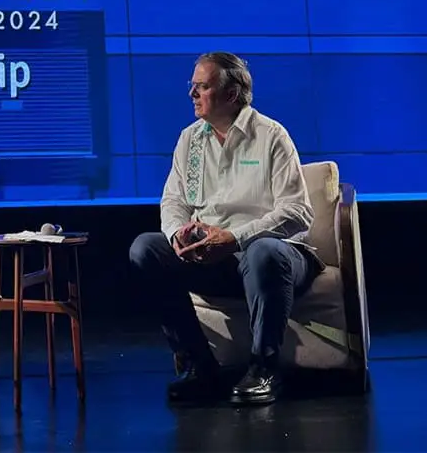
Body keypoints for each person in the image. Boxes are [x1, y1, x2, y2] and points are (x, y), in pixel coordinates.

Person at [129, 52, 323, 405]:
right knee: (146, 248)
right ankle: (199, 366)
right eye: (192, 87)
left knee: (263, 250)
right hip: (214, 259)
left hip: (277, 258)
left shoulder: (271, 135)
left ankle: (265, 368)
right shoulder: (190, 140)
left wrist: (234, 238)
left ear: (231, 94)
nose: (192, 95)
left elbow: (297, 212)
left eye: (201, 87)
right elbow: (173, 201)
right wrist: (179, 235)